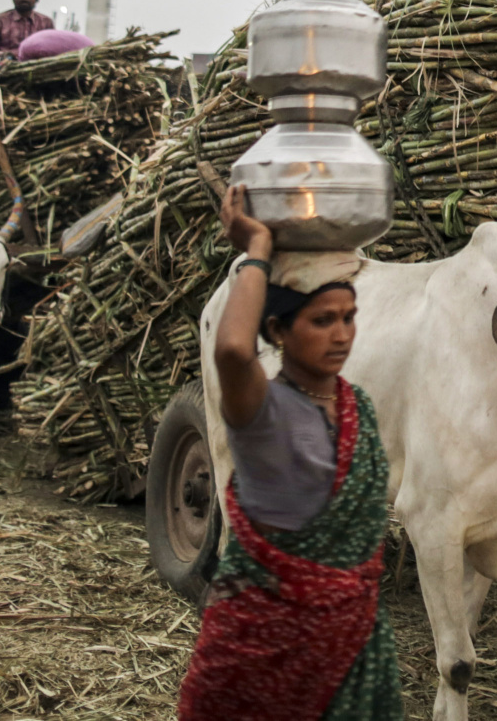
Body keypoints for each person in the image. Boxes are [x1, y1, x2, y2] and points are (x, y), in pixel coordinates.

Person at [177, 185, 400, 721]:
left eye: (348, 317)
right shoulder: (263, 410)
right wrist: (256, 246)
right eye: (322, 321)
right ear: (277, 330)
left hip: (352, 653)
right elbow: (232, 348)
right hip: (261, 651)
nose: (342, 334)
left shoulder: (358, 409)